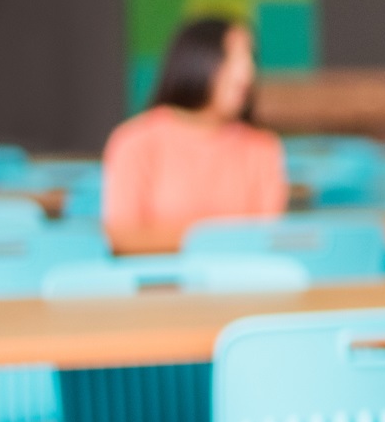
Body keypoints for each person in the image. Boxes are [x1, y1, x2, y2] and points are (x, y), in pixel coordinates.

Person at [102, 16, 286, 254]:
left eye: (250, 58)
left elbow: (269, 241)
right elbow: (122, 239)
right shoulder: (134, 142)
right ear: (196, 60)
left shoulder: (264, 147)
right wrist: (214, 241)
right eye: (231, 58)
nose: (246, 73)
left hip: (243, 287)